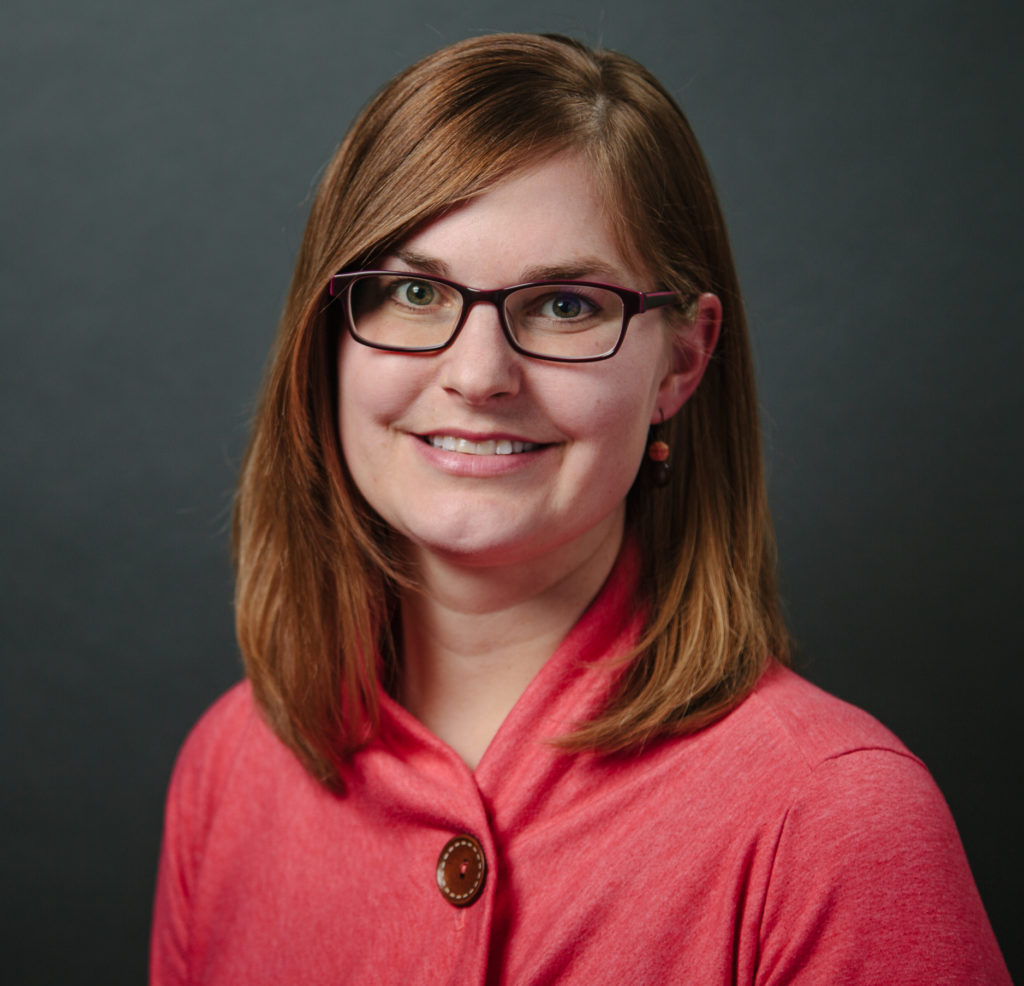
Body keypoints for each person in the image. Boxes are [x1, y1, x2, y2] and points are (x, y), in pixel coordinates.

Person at [150, 33, 1010, 984]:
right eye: (411, 290)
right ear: (329, 338)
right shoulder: (229, 770)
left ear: (682, 360)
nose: (478, 375)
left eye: (564, 305)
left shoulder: (840, 823)